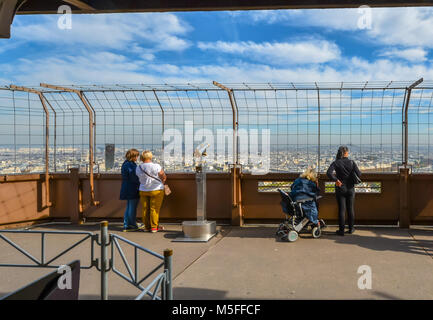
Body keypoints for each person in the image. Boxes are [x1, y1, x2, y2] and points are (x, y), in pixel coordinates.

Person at [326, 146, 362, 236]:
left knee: (341, 210)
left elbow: (329, 173)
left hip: (340, 188)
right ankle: (351, 229)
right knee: (350, 209)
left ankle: (341, 230)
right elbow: (359, 174)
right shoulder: (351, 162)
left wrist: (336, 180)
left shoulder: (336, 163)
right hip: (350, 188)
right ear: (346, 153)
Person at [136, 150, 167, 233]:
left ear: (142, 157)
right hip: (156, 190)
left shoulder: (138, 167)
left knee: (145, 209)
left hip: (143, 190)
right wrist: (162, 181)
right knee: (154, 209)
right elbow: (163, 176)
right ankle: (154, 227)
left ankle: (146, 227)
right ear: (150, 157)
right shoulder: (156, 166)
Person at [120, 149, 142, 232]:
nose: (137, 157)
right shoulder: (131, 165)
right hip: (132, 187)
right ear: (133, 156)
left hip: (126, 187)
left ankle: (127, 223)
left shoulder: (125, 163)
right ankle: (132, 224)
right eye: (136, 156)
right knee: (132, 206)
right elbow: (134, 178)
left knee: (129, 206)